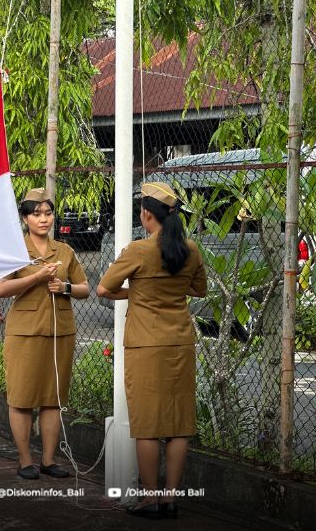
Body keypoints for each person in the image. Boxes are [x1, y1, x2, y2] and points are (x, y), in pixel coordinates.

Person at [96, 182, 207, 519]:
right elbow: (198, 290)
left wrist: (136, 293)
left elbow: (103, 288)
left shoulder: (137, 251)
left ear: (146, 214)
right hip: (180, 344)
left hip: (145, 345)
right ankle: (170, 500)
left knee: (147, 425)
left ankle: (149, 499)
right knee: (177, 423)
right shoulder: (190, 249)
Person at [0, 188, 90, 480]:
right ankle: (25, 461)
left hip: (60, 333)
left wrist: (65, 288)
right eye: (36, 214)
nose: (43, 219)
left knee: (53, 399)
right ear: (25, 219)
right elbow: (0, 289)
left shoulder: (65, 251)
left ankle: (48, 460)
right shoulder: (14, 250)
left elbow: (85, 288)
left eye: (48, 213)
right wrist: (37, 277)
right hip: (24, 333)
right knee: (22, 398)